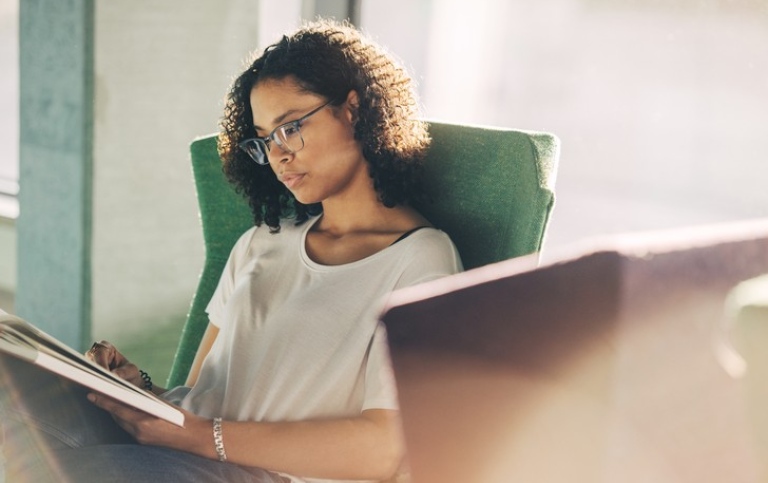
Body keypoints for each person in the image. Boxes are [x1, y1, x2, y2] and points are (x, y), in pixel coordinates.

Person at [0, 18, 462, 483]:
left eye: (291, 127)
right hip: (177, 453)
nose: (278, 154)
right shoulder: (263, 241)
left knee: (48, 472)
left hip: (259, 475)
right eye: (264, 139)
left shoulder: (420, 261)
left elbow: (383, 450)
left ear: (354, 110)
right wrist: (139, 389)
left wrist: (198, 437)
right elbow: (202, 396)